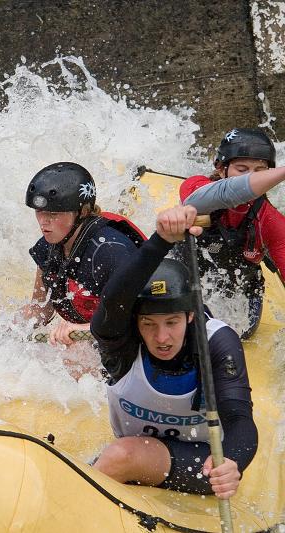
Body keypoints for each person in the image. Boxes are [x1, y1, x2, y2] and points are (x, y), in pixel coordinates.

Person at [91, 204, 257, 498]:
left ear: (190, 316)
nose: (162, 337)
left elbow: (239, 418)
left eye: (172, 322)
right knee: (120, 454)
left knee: (121, 455)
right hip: (141, 451)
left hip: (203, 464)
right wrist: (161, 240)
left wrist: (233, 462)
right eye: (149, 324)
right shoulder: (123, 342)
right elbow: (113, 299)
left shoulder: (217, 342)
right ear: (135, 322)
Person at [22, 162, 145, 346]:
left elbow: (144, 319)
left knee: (74, 360)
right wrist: (7, 331)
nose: (43, 221)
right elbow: (40, 309)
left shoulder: (111, 252)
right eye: (39, 211)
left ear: (84, 212)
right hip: (91, 336)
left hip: (124, 341)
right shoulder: (47, 247)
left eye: (54, 213)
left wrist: (87, 329)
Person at [179, 127, 285, 339]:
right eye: (241, 169)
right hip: (188, 274)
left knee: (241, 334)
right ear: (220, 169)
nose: (250, 178)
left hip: (239, 289)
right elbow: (221, 193)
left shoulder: (270, 220)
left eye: (260, 171)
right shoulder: (196, 186)